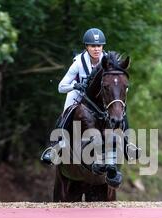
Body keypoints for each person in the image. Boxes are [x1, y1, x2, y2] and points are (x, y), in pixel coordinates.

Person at [40, 28, 140, 165]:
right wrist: (74, 86)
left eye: (99, 45)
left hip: (99, 98)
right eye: (93, 46)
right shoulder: (78, 63)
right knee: (68, 110)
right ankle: (56, 146)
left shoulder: (108, 62)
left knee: (120, 109)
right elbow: (61, 87)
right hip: (78, 94)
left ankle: (128, 145)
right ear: (86, 47)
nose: (96, 49)